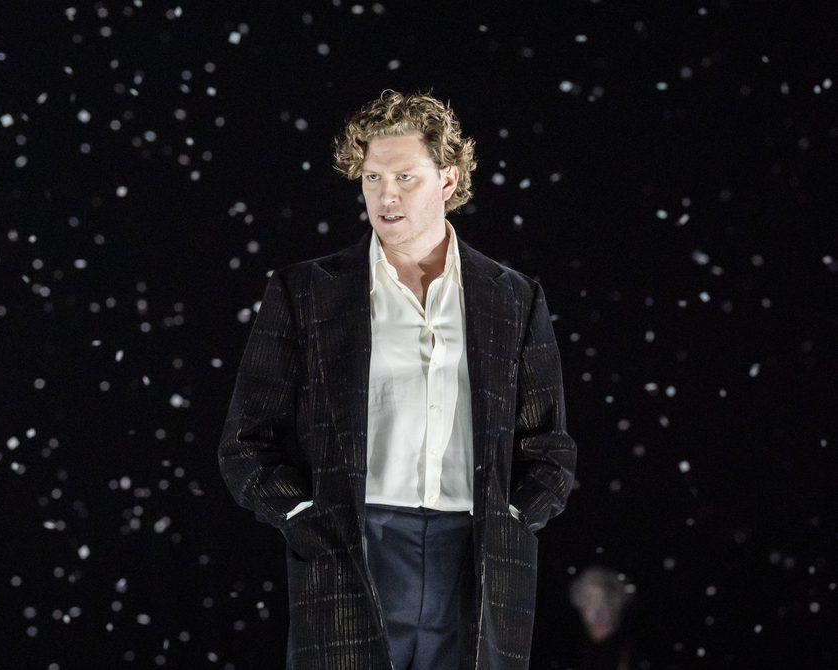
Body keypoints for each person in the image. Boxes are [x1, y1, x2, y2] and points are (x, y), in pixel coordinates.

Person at [219, 89, 576, 670]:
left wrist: (513, 519)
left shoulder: (512, 297)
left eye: (405, 177)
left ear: (449, 180)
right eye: (371, 179)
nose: (386, 196)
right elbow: (245, 442)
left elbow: (549, 446)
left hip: (475, 553)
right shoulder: (306, 291)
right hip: (353, 545)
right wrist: (303, 517)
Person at [568, 567, 637, 670]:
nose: (598, 612)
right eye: (589, 600)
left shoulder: (630, 651)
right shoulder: (571, 651)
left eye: (607, 600)